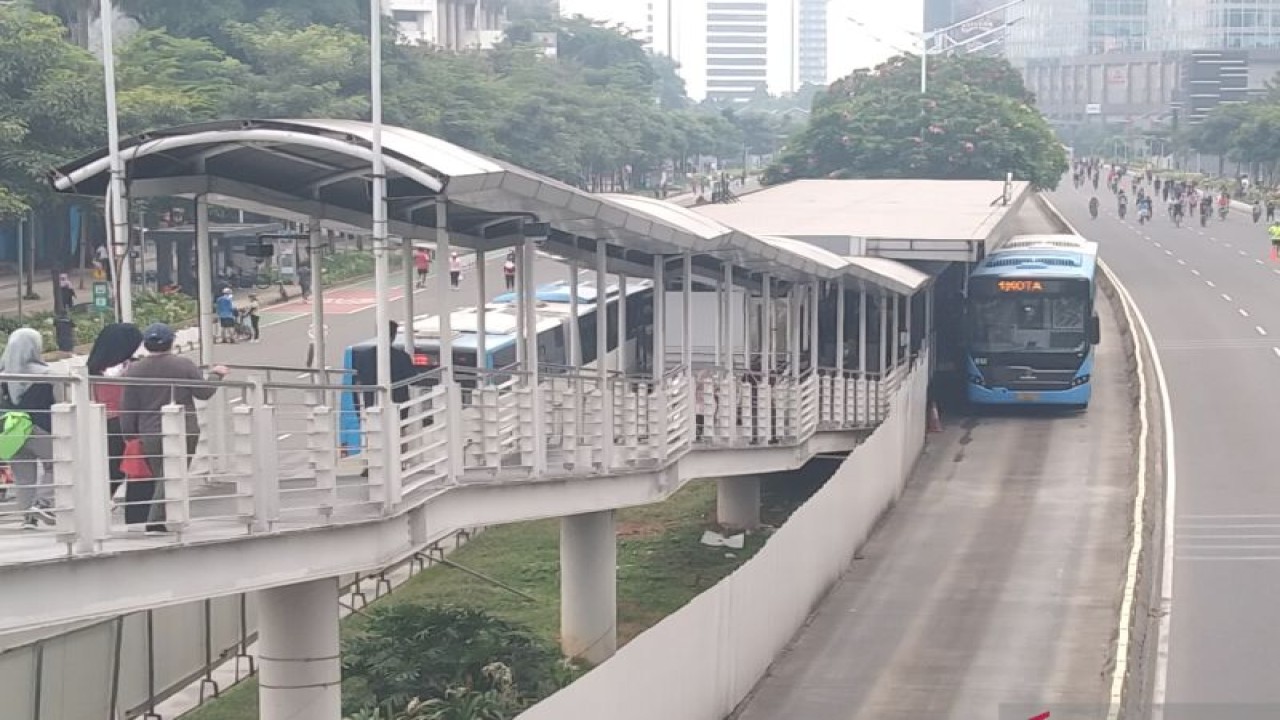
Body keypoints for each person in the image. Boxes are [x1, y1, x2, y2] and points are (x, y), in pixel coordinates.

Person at [120, 323, 229, 532]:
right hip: (183, 429)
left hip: (149, 432)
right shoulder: (183, 365)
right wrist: (217, 374)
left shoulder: (134, 370)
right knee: (172, 475)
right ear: (171, 342)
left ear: (146, 344)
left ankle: (160, 521)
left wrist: (129, 435)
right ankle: (155, 521)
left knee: (162, 475)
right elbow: (203, 393)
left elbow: (128, 406)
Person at [0, 328, 58, 528]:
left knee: (23, 475)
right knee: (57, 464)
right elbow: (59, 401)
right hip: (41, 428)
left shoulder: (3, 376)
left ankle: (28, 518)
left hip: (12, 431)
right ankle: (43, 503)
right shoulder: (47, 374)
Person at [86, 323, 144, 499]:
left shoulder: (92, 369)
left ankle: (100, 502)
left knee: (108, 470)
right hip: (127, 422)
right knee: (129, 468)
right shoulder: (133, 368)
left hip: (100, 422)